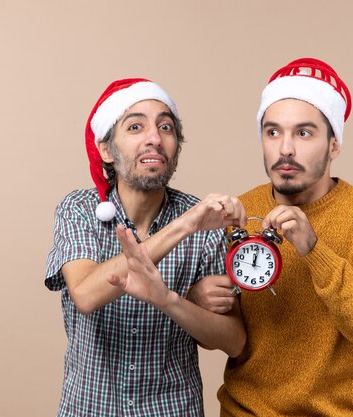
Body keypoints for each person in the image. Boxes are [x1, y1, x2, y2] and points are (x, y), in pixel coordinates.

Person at [188, 58, 353, 416]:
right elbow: (225, 338)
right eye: (272, 132)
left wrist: (313, 249)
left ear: (334, 145)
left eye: (303, 133)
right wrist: (197, 298)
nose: (285, 148)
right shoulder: (237, 213)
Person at [45, 77, 246, 417]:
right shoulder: (78, 209)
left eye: (165, 127)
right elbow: (85, 294)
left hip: (172, 409)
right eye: (135, 126)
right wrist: (184, 226)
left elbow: (234, 341)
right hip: (89, 408)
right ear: (106, 150)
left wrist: (170, 300)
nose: (154, 138)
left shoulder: (206, 224)